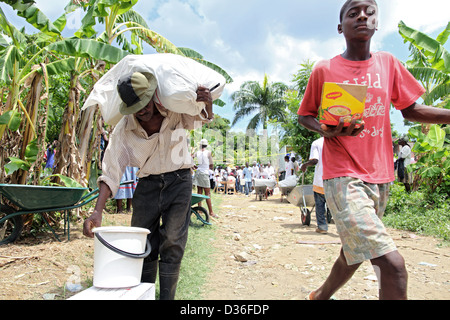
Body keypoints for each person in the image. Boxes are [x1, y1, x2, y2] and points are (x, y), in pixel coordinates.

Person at [297, 0, 450, 300]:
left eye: (369, 12)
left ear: (377, 23)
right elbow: (305, 115)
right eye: (353, 13)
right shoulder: (325, 68)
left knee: (352, 253)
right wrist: (324, 129)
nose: (362, 16)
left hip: (380, 176)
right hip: (342, 176)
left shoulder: (388, 63)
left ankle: (319, 296)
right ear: (341, 27)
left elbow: (411, 109)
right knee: (393, 266)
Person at [82, 71, 215, 300]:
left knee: (173, 239)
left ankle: (167, 298)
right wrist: (97, 211)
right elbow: (111, 169)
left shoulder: (175, 110)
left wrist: (208, 105)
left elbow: (200, 118)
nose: (142, 111)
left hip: (179, 181)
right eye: (136, 107)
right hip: (147, 185)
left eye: (145, 103)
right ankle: (145, 294)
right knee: (143, 243)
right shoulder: (124, 130)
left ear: (154, 95)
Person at [300, 137, 328, 234]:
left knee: (319, 205)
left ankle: (322, 227)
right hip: (336, 179)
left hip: (321, 179)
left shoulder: (317, 143)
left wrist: (305, 165)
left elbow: (315, 160)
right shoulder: (338, 139)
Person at [193, 139, 217, 218]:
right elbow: (211, 164)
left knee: (199, 192)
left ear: (200, 145)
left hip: (198, 173)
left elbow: (190, 157)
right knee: (207, 193)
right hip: (204, 173)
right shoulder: (208, 153)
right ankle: (211, 212)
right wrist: (210, 168)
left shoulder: (197, 152)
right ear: (206, 145)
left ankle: (199, 210)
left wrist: (193, 165)